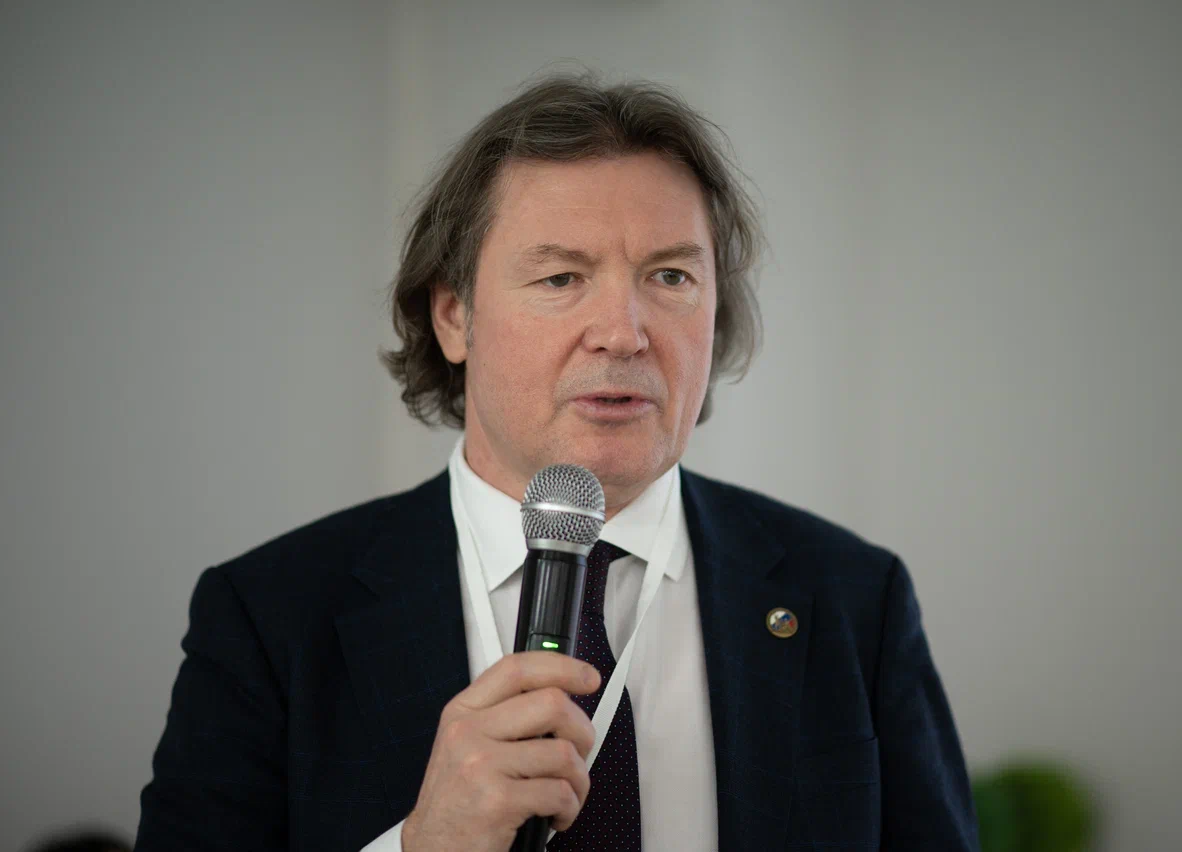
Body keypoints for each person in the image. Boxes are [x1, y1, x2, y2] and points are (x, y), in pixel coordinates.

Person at [135, 73, 979, 851]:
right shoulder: (271, 617)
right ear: (454, 317)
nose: (623, 332)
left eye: (671, 277)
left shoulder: (851, 601)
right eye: (561, 279)